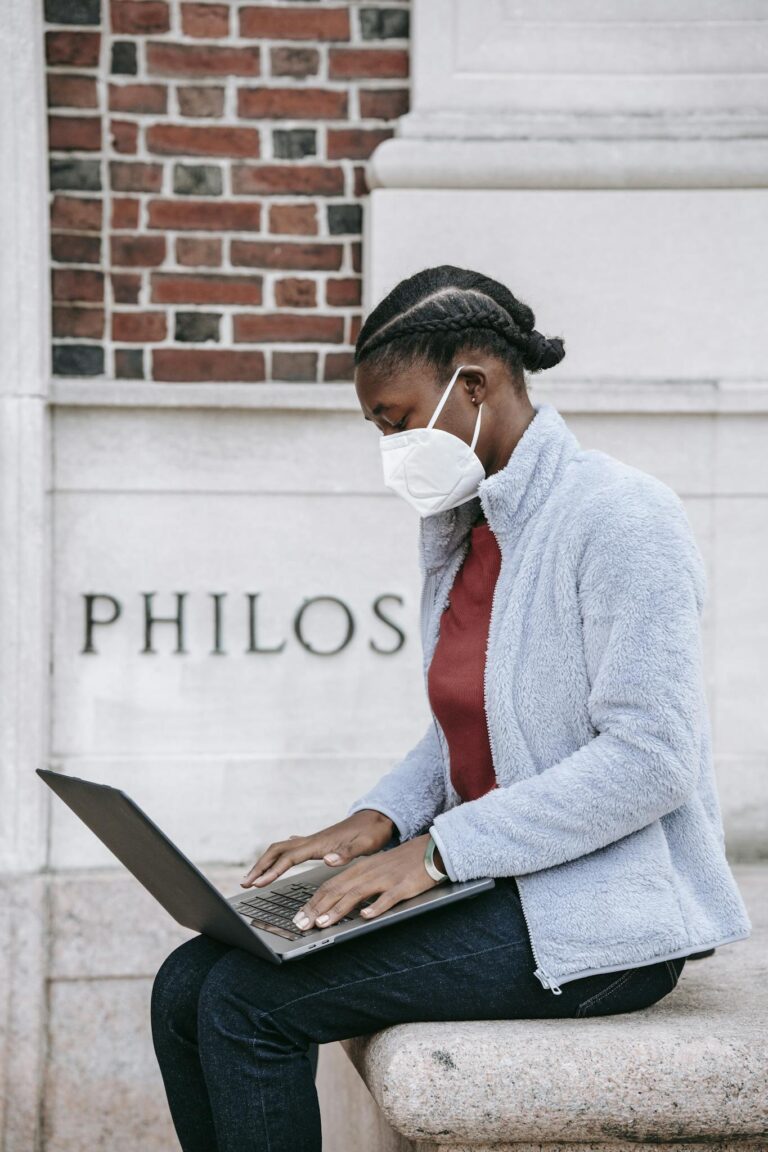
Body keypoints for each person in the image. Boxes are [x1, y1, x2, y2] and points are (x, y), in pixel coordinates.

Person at [150, 264, 751, 1152]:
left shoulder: (621, 516)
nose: (392, 446)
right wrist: (378, 819)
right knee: (184, 984)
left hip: (600, 924)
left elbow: (651, 758)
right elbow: (471, 721)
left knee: (245, 1006)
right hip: (498, 885)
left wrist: (437, 852)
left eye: (396, 420)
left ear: (473, 385)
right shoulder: (468, 531)